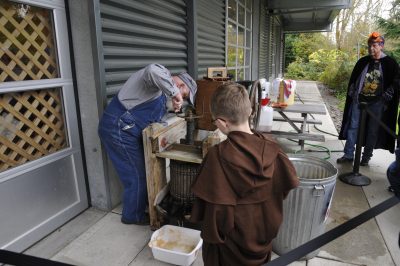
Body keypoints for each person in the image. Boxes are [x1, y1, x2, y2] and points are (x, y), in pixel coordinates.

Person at [189, 82, 299, 265]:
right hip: (262, 242)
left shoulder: (217, 157)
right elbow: (283, 191)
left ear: (222, 123)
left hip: (229, 251)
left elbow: (214, 215)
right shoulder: (274, 149)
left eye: (215, 120)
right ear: (249, 112)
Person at [98, 64, 197, 225]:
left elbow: (152, 119)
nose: (182, 99)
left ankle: (140, 205)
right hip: (117, 128)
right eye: (185, 95)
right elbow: (152, 70)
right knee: (137, 176)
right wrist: (175, 93)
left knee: (143, 172)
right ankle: (132, 216)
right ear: (180, 85)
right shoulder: (156, 78)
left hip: (128, 131)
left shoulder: (160, 94)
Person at [337, 32, 400, 166]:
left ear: (381, 46)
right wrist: (353, 91)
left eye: (374, 45)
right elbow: (354, 79)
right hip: (359, 101)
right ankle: (348, 154)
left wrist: (386, 98)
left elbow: (395, 83)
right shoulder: (363, 61)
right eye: (369, 45)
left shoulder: (390, 63)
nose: (371, 48)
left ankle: (366, 157)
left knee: (373, 130)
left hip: (377, 103)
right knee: (353, 127)